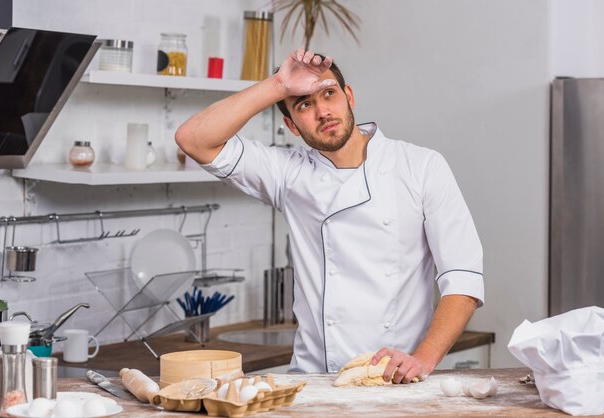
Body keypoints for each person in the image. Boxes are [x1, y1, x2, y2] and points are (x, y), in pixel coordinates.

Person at [176, 49, 484, 383]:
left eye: (329, 94)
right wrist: (278, 85)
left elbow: (463, 278)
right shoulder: (288, 173)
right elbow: (193, 139)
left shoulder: (421, 166)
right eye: (304, 104)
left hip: (395, 381)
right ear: (291, 125)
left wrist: (421, 361)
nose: (323, 111)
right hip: (313, 384)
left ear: (348, 96)